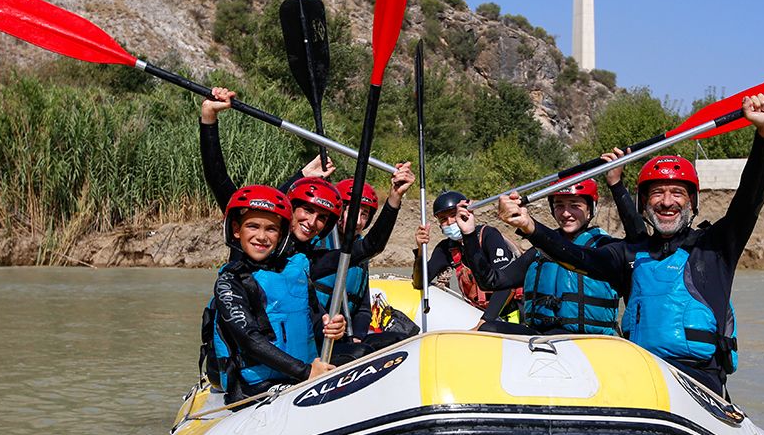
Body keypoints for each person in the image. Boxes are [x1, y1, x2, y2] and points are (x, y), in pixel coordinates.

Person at [495, 93, 764, 397]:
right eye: (657, 194)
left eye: (677, 193)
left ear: (693, 203)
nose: (667, 202)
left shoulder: (715, 248)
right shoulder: (629, 255)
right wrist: (528, 226)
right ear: (644, 203)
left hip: (699, 380)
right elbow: (576, 256)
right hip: (641, 372)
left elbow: (749, 200)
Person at [199, 87, 415, 352]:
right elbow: (218, 178)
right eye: (306, 212)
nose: (312, 222)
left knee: (390, 342)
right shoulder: (252, 241)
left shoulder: (309, 260)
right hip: (253, 365)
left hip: (294, 358)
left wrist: (394, 197)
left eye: (322, 218)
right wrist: (209, 119)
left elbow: (369, 247)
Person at [457, 150, 644, 336]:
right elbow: (491, 280)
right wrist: (469, 234)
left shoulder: (607, 250)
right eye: (559, 205)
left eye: (575, 205)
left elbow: (639, 240)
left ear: (590, 210)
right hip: (544, 339)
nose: (566, 213)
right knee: (486, 329)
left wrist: (616, 184)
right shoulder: (539, 251)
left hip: (590, 342)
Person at [202, 184, 345, 403]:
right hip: (256, 387)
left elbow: (315, 318)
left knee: (360, 351)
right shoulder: (230, 282)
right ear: (236, 229)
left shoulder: (296, 268)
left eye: (271, 229)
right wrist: (306, 373)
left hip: (302, 375)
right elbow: (250, 341)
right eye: (253, 226)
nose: (262, 236)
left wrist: (331, 326)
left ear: (282, 235)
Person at [412, 190, 521, 327]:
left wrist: (484, 323)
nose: (450, 222)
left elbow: (507, 285)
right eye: (443, 219)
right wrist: (420, 250)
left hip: (510, 314)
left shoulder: (488, 236)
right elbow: (419, 282)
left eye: (453, 215)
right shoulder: (446, 248)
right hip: (476, 314)